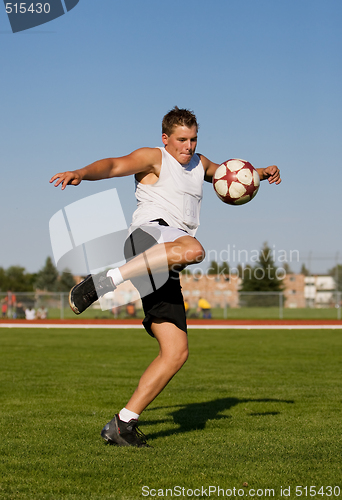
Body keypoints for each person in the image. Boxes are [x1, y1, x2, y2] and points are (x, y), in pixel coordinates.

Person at [50, 106, 281, 447]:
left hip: (164, 260)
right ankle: (104, 282)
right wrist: (81, 173)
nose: (188, 147)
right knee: (194, 250)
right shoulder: (154, 157)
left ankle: (122, 425)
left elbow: (228, 174)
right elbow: (113, 165)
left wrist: (260, 172)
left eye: (193, 139)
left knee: (176, 351)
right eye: (181, 140)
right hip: (148, 238)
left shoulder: (199, 163)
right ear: (166, 139)